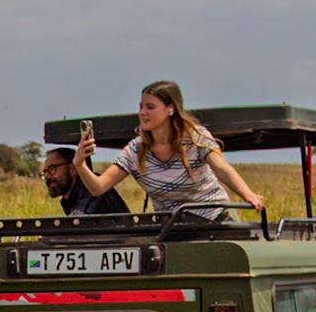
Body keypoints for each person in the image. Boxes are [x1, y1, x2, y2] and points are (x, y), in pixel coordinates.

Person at [74, 80, 266, 221]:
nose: (142, 113)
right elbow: (98, 187)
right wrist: (80, 164)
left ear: (170, 109)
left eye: (150, 107)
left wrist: (248, 195)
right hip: (172, 226)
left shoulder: (195, 138)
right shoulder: (135, 149)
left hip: (213, 218)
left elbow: (222, 169)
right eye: (141, 107)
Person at [42, 146, 131, 216]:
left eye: (52, 169)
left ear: (73, 168)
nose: (47, 176)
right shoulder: (68, 201)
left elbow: (78, 223)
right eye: (45, 172)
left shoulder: (91, 188)